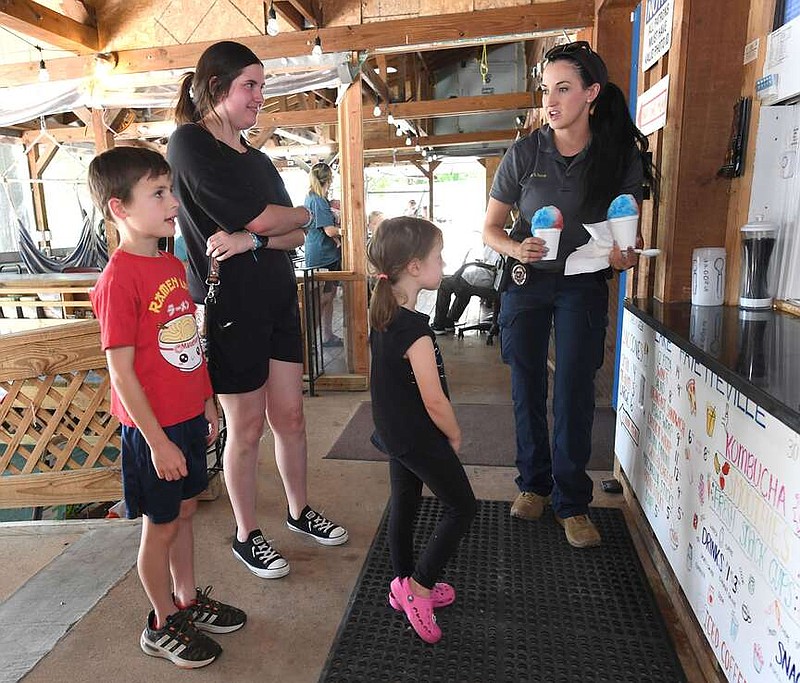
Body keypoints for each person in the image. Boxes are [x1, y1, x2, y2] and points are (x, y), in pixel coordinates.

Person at [167, 41, 348, 581]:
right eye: (250, 85)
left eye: (261, 86)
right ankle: (246, 534)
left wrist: (254, 238)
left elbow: (295, 227)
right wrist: (268, 224)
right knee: (244, 428)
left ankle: (298, 511)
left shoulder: (260, 157)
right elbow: (268, 215)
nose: (258, 97)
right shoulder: (188, 145)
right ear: (216, 87)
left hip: (275, 294)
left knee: (290, 417)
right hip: (231, 305)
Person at [482, 41, 658, 548]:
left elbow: (630, 234)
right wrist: (518, 248)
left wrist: (627, 255)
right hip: (527, 282)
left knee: (576, 389)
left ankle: (572, 502)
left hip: (582, 283)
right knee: (526, 384)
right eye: (546, 91)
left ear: (591, 94)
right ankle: (533, 485)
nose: (551, 102)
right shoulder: (525, 152)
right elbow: (490, 229)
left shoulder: (618, 155)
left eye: (563, 89)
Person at [88, 147, 246, 669]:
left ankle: (186, 598)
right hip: (150, 431)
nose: (172, 201)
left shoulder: (172, 264)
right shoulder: (117, 280)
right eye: (158, 193)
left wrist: (205, 400)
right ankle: (160, 623)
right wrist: (156, 441)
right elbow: (122, 372)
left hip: (184, 418)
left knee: (183, 513)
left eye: (170, 190)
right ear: (119, 208)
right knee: (159, 526)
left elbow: (187, 342)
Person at [367, 216, 477, 644]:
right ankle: (419, 587)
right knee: (462, 507)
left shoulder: (386, 313)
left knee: (406, 503)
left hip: (394, 431)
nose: (444, 262)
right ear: (414, 267)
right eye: (438, 257)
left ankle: (401, 584)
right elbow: (434, 399)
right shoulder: (415, 330)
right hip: (417, 434)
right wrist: (452, 434)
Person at [303, 162, 343, 348]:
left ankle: (327, 335)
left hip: (327, 253)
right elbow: (329, 231)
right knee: (321, 299)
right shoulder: (317, 200)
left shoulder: (318, 199)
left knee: (329, 295)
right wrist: (346, 231)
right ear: (328, 179)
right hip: (321, 254)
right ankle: (310, 341)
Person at [431, 245, 501, 334]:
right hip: (491, 278)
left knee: (444, 285)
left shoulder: (495, 241)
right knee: (462, 288)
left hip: (487, 278)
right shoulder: (507, 242)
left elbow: (489, 261)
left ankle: (438, 325)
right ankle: (449, 322)